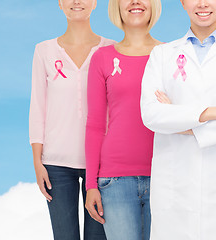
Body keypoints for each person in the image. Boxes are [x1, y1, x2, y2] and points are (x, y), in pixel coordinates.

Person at [140, 0, 216, 239]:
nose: (203, 4)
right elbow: (152, 114)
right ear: (183, 3)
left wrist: (178, 121)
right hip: (176, 182)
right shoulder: (162, 55)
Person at [29, 0, 114, 239]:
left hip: (102, 163)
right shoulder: (44, 51)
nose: (77, 1)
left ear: (95, 3)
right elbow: (38, 107)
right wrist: (37, 161)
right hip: (56, 164)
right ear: (60, 4)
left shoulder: (111, 49)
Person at [83, 0, 161, 239]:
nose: (136, 2)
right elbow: (95, 124)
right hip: (114, 181)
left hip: (164, 175)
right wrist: (91, 185)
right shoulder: (102, 58)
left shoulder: (170, 55)